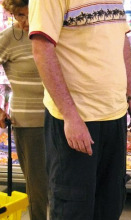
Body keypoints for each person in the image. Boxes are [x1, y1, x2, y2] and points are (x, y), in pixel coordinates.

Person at [28, 1, 131, 219]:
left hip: (114, 114)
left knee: (110, 202)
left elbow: (122, 41)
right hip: (76, 119)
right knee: (72, 207)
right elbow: (42, 50)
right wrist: (70, 116)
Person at [0, 0, 48, 219]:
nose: (26, 21)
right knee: (38, 187)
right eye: (20, 15)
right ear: (11, 12)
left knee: (65, 184)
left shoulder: (54, 32)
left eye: (31, 14)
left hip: (65, 119)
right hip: (29, 124)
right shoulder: (8, 38)